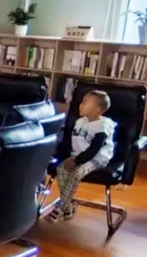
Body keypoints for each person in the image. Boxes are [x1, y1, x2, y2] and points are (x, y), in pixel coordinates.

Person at [47, 90, 116, 223]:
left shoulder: (103, 126)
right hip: (78, 156)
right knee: (61, 169)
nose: (80, 105)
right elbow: (71, 142)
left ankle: (60, 208)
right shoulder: (79, 122)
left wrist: (76, 161)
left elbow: (94, 149)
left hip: (96, 159)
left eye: (85, 103)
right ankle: (69, 204)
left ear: (97, 109)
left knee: (76, 174)